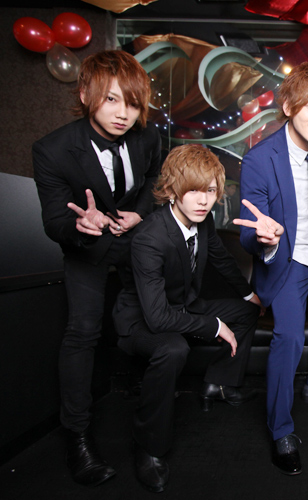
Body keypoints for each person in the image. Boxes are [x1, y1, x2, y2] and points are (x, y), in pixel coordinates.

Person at [32, 50, 161, 487]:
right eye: (111, 100)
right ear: (85, 93)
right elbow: (54, 220)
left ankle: (145, 415)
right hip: (87, 248)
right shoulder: (52, 149)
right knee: (82, 332)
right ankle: (77, 436)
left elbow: (154, 180)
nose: (124, 113)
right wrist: (81, 225)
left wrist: (141, 212)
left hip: (134, 242)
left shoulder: (147, 137)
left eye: (133, 102)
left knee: (152, 320)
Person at [113, 144, 262, 492]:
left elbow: (222, 259)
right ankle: (150, 447)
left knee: (247, 312)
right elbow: (156, 317)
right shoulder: (150, 237)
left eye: (209, 190)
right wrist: (214, 326)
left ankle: (220, 383)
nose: (203, 200)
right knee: (173, 349)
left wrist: (249, 295)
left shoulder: (202, 220)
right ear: (172, 189)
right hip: (141, 320)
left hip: (186, 307)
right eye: (193, 190)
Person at [234, 61, 308, 476]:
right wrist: (265, 237)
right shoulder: (259, 159)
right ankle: (280, 429)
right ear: (288, 106)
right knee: (287, 338)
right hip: (286, 258)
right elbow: (249, 230)